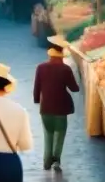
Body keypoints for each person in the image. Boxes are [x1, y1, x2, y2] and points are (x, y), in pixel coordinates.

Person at [33, 36, 79, 171]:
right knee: (60, 133)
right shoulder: (65, 69)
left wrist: (37, 100)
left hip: (45, 106)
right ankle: (56, 160)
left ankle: (46, 161)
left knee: (48, 133)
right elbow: (74, 88)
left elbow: (37, 88)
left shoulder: (40, 67)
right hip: (61, 107)